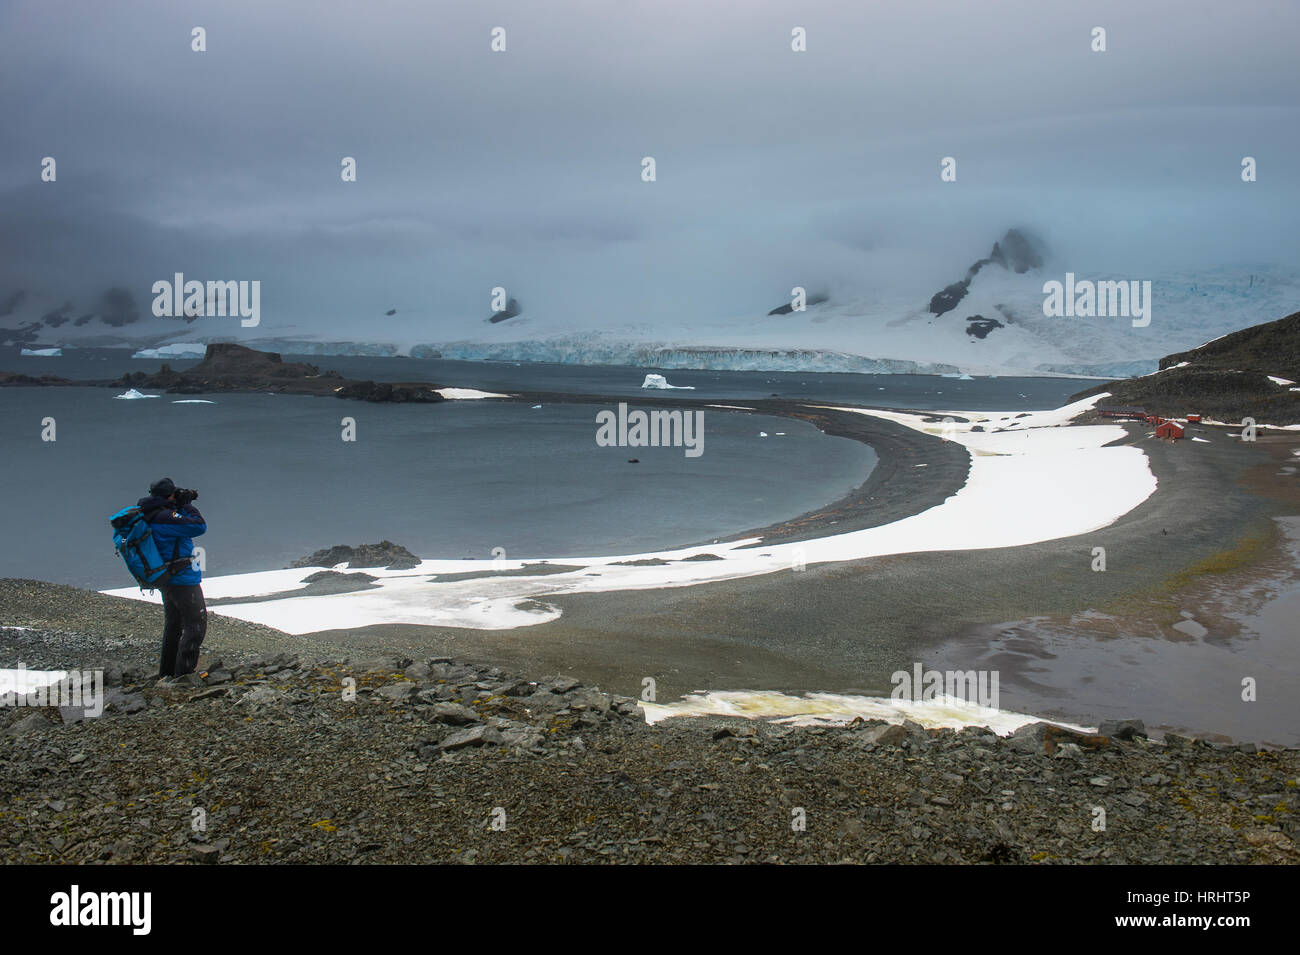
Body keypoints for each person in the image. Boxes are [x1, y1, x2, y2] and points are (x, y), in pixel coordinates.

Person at [139, 477, 208, 678]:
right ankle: (183, 675)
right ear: (169, 495)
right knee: (196, 624)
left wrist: (178, 505)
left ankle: (167, 673)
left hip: (166, 578)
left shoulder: (149, 513)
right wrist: (187, 505)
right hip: (182, 579)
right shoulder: (165, 517)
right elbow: (199, 526)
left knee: (174, 625)